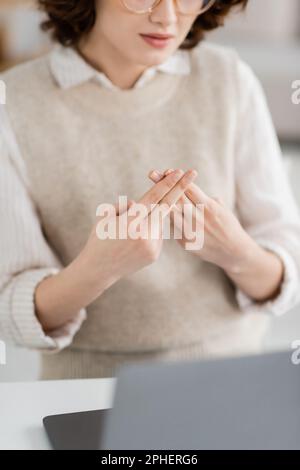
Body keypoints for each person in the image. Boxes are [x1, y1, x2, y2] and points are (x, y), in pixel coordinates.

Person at [0, 0, 300, 380]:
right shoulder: (12, 103)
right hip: (88, 389)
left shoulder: (229, 79)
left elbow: (287, 268)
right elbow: (10, 308)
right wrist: (97, 270)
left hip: (232, 376)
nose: (168, 17)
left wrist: (235, 251)